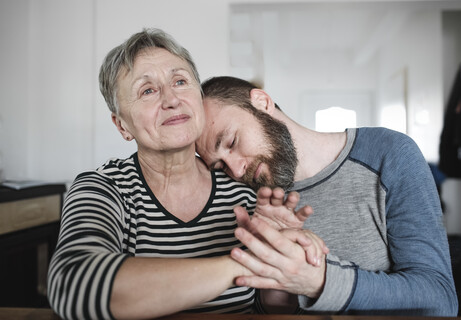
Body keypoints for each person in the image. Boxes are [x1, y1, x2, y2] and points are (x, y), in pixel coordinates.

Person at [46, 29, 323, 320]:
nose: (172, 99)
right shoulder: (103, 188)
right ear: (122, 126)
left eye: (180, 81)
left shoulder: (244, 193)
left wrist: (278, 259)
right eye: (148, 90)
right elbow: (73, 286)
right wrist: (244, 265)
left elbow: (269, 309)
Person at [195, 76, 459, 316]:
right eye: (219, 165)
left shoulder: (389, 154)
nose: (237, 169)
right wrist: (278, 270)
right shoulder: (252, 202)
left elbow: (440, 299)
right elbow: (273, 311)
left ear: (262, 102)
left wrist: (321, 280)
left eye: (231, 142)